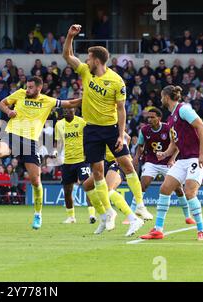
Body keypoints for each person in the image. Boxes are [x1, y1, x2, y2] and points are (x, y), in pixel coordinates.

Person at [63, 24, 150, 232]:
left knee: (127, 164)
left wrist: (121, 134)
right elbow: (67, 55)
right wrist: (70, 36)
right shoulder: (85, 72)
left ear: (97, 61)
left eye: (89, 58)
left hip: (111, 128)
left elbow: (121, 110)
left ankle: (140, 205)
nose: (85, 61)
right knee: (97, 172)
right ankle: (108, 213)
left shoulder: (116, 81)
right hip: (92, 130)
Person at [0, 76, 81, 229]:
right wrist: (8, 111)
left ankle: (38, 214)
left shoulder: (47, 100)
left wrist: (89, 98)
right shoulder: (20, 94)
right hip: (14, 135)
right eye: (27, 86)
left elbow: (70, 103)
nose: (27, 89)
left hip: (30, 142)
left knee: (35, 180)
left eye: (30, 87)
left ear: (39, 88)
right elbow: (2, 103)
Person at [140, 85, 203, 241]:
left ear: (166, 97)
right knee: (165, 189)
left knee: (190, 193)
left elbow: (202, 128)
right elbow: (175, 143)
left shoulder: (183, 110)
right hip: (183, 159)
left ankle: (201, 230)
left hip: (195, 157)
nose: (160, 98)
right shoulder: (171, 118)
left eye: (161, 96)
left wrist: (201, 153)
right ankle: (158, 229)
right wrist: (165, 154)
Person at [133, 108, 195, 225]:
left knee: (178, 189)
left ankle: (187, 216)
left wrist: (172, 159)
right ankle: (132, 214)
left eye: (152, 117)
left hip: (167, 162)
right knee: (143, 184)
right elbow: (140, 146)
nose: (150, 119)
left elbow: (176, 146)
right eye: (148, 117)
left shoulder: (168, 128)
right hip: (151, 161)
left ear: (159, 118)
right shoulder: (144, 130)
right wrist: (136, 157)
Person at [54, 107, 96, 224]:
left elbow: (89, 138)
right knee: (67, 190)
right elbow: (59, 142)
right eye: (65, 110)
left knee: (88, 186)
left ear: (75, 111)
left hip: (82, 160)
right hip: (67, 161)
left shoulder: (81, 122)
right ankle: (71, 217)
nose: (66, 111)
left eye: (69, 109)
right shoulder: (59, 124)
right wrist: (57, 154)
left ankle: (92, 215)